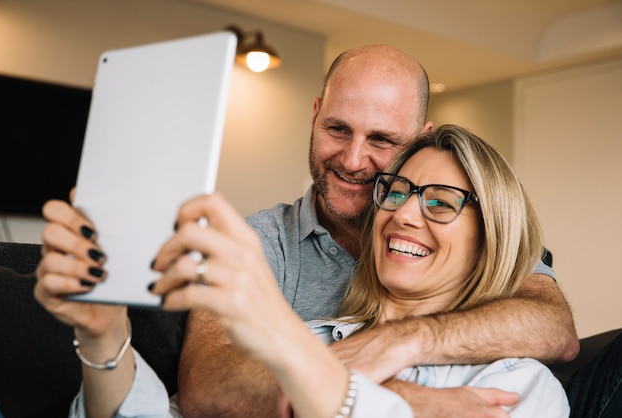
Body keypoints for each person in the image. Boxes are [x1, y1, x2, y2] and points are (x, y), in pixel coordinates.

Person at [34, 125, 570, 417]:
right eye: (399, 191)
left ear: (491, 238)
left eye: (441, 202)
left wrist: (283, 341)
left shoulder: (511, 385)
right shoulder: (312, 339)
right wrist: (103, 334)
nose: (404, 211)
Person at [177, 44, 578, 417]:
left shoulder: (475, 253)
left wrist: (398, 342)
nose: (352, 160)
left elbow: (553, 326)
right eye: (337, 129)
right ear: (315, 116)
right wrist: (405, 402)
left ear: (419, 140)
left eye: (382, 139)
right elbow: (207, 383)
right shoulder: (259, 246)